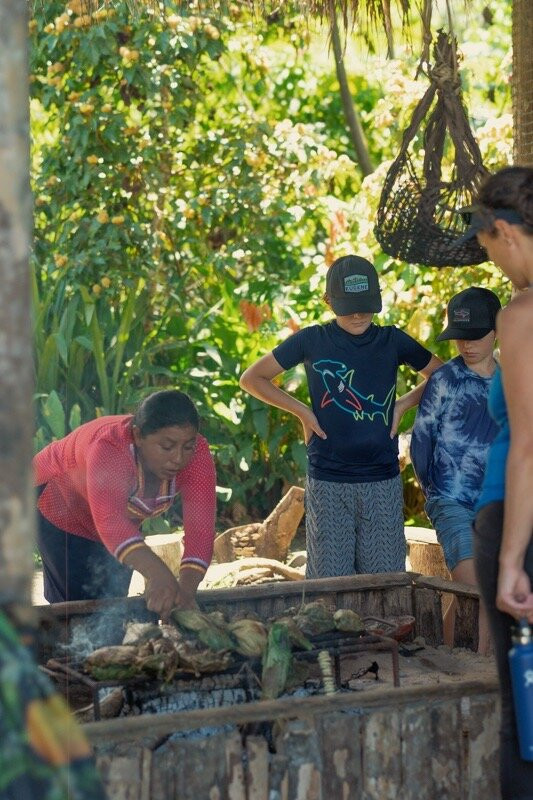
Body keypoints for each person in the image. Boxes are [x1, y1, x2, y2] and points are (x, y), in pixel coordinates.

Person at [240, 254, 442, 579]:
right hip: (328, 479)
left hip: (382, 479)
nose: (359, 314)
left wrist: (403, 404)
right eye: (349, 306)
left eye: (366, 304)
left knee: (384, 585)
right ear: (329, 301)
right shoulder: (312, 340)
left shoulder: (393, 339)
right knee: (329, 586)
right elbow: (252, 378)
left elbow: (441, 374)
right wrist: (302, 411)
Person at [457, 166, 533, 799]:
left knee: (524, 716)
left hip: (516, 517)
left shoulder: (523, 314)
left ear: (504, 230)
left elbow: (529, 443)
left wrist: (510, 559)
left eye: (487, 246)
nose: (496, 263)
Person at [33, 389, 216, 620]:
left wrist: (186, 592)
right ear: (138, 436)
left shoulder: (198, 454)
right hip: (59, 501)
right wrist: (158, 574)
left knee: (113, 610)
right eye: (167, 446)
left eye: (187, 447)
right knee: (76, 610)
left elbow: (200, 531)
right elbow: (111, 523)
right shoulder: (110, 447)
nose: (178, 458)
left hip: (118, 521)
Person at [410, 287, 502, 655]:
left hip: (498, 502)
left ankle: (447, 658)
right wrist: (433, 491)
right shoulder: (444, 380)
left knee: (484, 587)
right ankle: (481, 671)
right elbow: (421, 441)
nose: (466, 345)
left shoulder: (512, 380)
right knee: (477, 586)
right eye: (459, 336)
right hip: (450, 500)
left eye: (475, 335)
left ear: (497, 329)